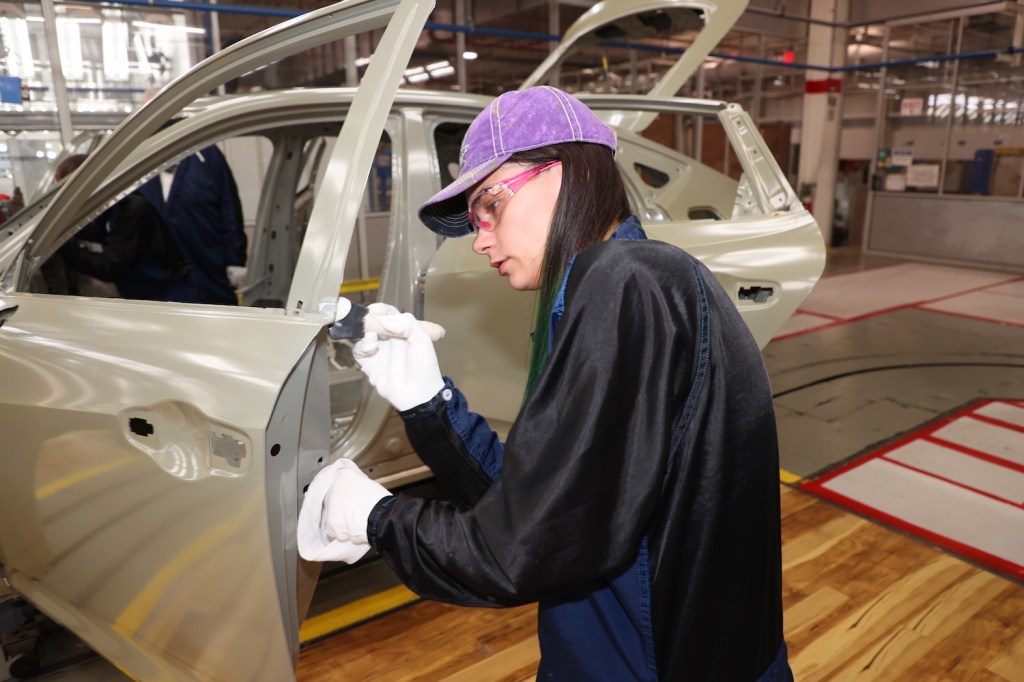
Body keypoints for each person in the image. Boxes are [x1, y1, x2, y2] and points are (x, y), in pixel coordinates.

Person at [297, 86, 792, 681]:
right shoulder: (617, 286)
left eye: (491, 205)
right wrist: (431, 405)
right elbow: (544, 500)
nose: (479, 239)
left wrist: (375, 517)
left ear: (568, 172)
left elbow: (520, 552)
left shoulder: (626, 281)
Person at [55, 154, 192, 302]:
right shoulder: (113, 204)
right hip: (149, 292)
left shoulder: (130, 208)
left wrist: (63, 249)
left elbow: (111, 266)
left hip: (164, 296)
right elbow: (97, 231)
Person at [139, 144, 246, 305]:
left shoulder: (206, 154)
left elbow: (229, 209)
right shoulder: (142, 159)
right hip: (159, 278)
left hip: (208, 264)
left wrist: (235, 260)